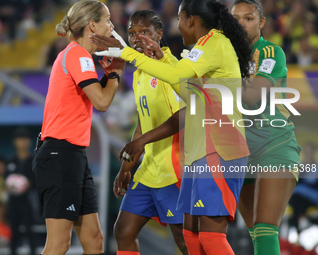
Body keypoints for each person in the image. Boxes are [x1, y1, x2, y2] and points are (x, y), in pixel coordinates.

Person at [91, 0, 252, 254]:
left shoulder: (215, 42)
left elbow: (181, 95)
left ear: (191, 20)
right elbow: (189, 92)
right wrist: (159, 58)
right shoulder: (201, 49)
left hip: (218, 148)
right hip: (200, 152)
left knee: (209, 238)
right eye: (132, 34)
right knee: (190, 237)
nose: (177, 25)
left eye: (179, 19)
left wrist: (126, 53)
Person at [32, 1, 125, 255]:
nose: (112, 25)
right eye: (107, 20)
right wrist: (116, 73)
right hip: (61, 156)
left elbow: (98, 96)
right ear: (92, 25)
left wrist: (110, 75)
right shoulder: (78, 55)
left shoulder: (78, 57)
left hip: (71, 156)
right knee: (59, 244)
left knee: (94, 240)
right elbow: (102, 101)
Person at [112, 10, 187, 255]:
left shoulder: (172, 68)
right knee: (123, 231)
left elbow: (183, 117)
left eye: (144, 32)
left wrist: (141, 141)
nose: (136, 38)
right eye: (132, 33)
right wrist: (126, 168)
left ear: (159, 34)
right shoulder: (139, 73)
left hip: (174, 167)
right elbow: (142, 125)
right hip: (147, 170)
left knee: (183, 238)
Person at [231, 1, 302, 254]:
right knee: (257, 235)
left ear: (261, 23)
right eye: (236, 18)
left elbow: (253, 98)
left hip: (276, 145)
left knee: (265, 228)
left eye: (248, 18)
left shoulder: (271, 53)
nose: (241, 24)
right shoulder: (225, 55)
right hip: (241, 152)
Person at [5, 128, 36, 255]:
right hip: (13, 201)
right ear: (15, 142)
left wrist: (30, 183)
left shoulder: (34, 161)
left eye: (24, 139)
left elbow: (38, 180)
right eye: (19, 139)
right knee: (14, 232)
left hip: (29, 200)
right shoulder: (11, 161)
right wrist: (10, 185)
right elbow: (6, 180)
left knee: (30, 231)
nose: (22, 142)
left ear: (29, 142)